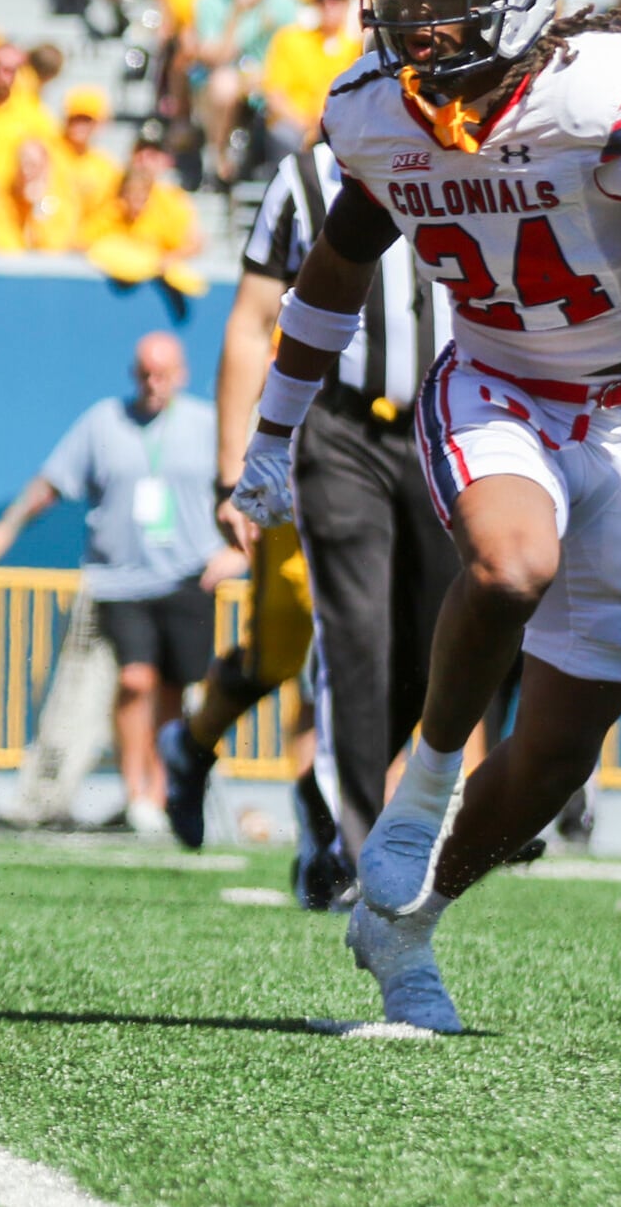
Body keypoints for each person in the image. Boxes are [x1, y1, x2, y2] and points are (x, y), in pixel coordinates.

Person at [230, 0, 621, 1034]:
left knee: (557, 756)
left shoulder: (598, 97)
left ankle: (409, 920)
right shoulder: (374, 112)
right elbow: (331, 276)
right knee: (510, 568)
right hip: (496, 384)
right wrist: (272, 432)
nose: (413, 18)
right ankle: (423, 783)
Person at [164, 137, 451, 909]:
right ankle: (305, 815)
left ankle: (325, 811)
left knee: (424, 647)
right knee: (300, 641)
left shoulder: (475, 159)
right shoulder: (305, 180)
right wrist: (233, 468)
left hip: (440, 434)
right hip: (326, 436)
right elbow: (251, 321)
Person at [0, 332, 240, 836]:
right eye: (145, 373)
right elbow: (51, 482)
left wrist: (239, 552)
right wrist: (4, 530)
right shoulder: (104, 421)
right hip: (119, 580)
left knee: (174, 693)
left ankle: (161, 795)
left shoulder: (208, 425)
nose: (153, 384)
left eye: (163, 374)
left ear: (181, 374)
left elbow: (246, 489)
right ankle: (136, 795)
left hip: (187, 577)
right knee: (134, 681)